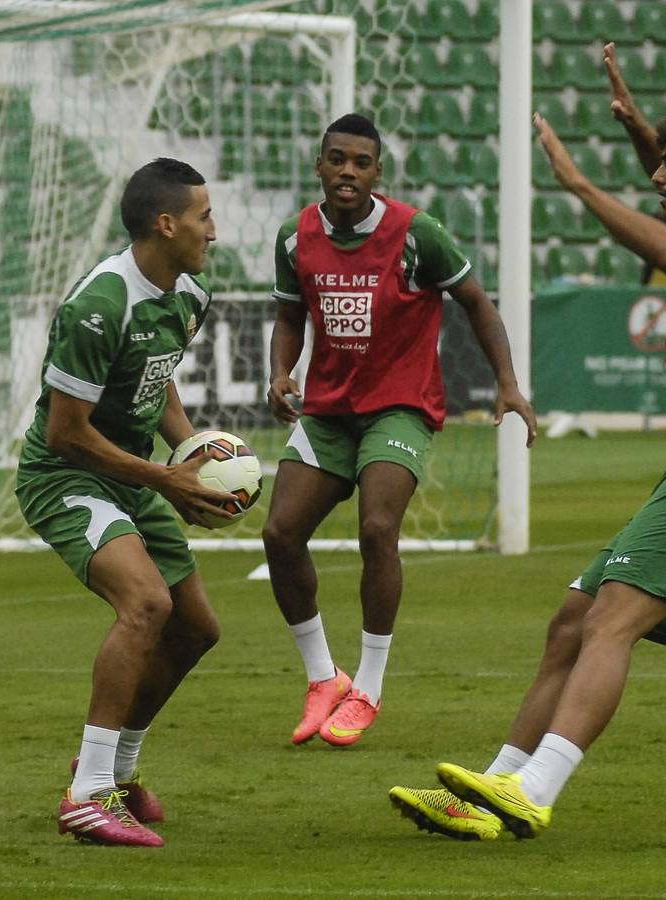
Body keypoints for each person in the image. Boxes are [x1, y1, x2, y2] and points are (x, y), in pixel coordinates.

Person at [389, 45, 666, 841]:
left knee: (611, 621)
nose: (656, 175)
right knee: (570, 620)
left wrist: (578, 183)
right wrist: (640, 127)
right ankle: (496, 788)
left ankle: (538, 789)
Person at [263, 113, 537, 748]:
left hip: (399, 406)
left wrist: (507, 383)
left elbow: (477, 301)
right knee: (280, 533)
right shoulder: (294, 237)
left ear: (378, 170)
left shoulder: (416, 233)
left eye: (361, 162)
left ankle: (370, 686)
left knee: (378, 526)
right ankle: (322, 678)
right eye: (338, 160)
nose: (348, 172)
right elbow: (288, 315)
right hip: (329, 410)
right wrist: (281, 372)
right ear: (320, 165)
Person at [14, 157, 240, 847]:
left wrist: (191, 454)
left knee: (197, 628)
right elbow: (66, 433)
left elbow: (158, 380)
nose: (213, 229)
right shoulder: (98, 305)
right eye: (204, 216)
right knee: (147, 604)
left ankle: (112, 771)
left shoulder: (189, 296)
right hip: (66, 476)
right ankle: (85, 799)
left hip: (135, 476)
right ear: (166, 223)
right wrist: (163, 479)